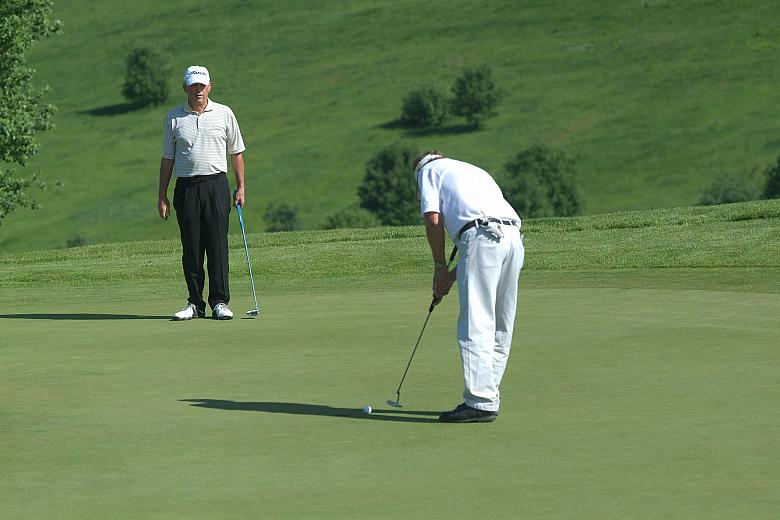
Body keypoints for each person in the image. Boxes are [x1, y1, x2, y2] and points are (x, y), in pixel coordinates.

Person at [414, 151, 525, 423]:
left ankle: (479, 401)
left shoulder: (427, 171)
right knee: (500, 323)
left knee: (476, 321)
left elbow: (433, 220)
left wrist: (440, 266)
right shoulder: (472, 170)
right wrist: (449, 278)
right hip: (512, 239)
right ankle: (487, 396)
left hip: (481, 237)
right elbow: (475, 245)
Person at [158, 65, 246, 321]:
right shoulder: (173, 117)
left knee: (217, 246)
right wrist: (162, 195)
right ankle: (195, 303)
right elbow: (167, 159)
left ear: (209, 87)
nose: (198, 90)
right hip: (186, 188)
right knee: (192, 248)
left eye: (202, 85)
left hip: (216, 185)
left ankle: (220, 301)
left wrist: (240, 187)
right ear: (185, 87)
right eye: (193, 85)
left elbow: (236, 152)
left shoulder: (224, 114)